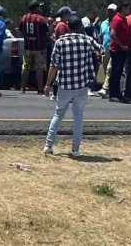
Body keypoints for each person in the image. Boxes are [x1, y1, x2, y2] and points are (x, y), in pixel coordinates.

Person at [44, 15, 101, 157]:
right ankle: (75, 149)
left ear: (68, 26)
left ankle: (48, 145)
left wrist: (47, 84)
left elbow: (53, 66)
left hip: (64, 84)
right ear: (81, 27)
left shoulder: (60, 42)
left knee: (58, 114)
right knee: (78, 117)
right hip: (81, 85)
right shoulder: (87, 40)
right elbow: (101, 49)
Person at [19, 0, 49, 94]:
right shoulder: (41, 19)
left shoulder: (24, 18)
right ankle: (40, 88)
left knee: (25, 67)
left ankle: (23, 87)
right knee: (39, 68)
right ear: (36, 8)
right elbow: (46, 32)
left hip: (28, 47)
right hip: (39, 48)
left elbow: (21, 30)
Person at [108, 1, 131, 103]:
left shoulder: (124, 19)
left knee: (118, 72)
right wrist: (121, 45)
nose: (130, 11)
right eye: (128, 8)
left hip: (122, 50)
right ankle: (113, 94)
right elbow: (112, 33)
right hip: (117, 50)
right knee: (116, 72)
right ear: (123, 8)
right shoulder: (117, 19)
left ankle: (117, 93)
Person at [97, 4, 117, 97]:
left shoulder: (117, 22)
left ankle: (105, 89)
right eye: (109, 10)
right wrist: (99, 49)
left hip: (114, 50)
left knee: (109, 69)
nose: (110, 12)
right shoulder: (103, 23)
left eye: (112, 11)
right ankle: (110, 89)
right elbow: (101, 37)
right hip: (105, 51)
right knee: (106, 71)